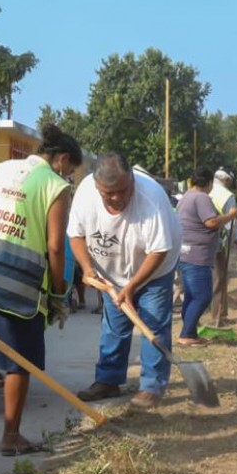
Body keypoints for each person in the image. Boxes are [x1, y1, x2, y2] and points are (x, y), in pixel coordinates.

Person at [0, 123, 82, 455]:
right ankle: (11, 436)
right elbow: (56, 247)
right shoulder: (55, 186)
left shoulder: (1, 169)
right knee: (19, 362)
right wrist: (59, 294)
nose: (69, 176)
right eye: (70, 169)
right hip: (20, 287)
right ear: (61, 159)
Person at [68, 152, 182, 410]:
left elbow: (159, 250)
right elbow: (75, 235)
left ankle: (152, 385)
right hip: (111, 272)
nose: (118, 198)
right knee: (114, 325)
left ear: (132, 179)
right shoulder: (85, 194)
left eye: (123, 190)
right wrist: (87, 268)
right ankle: (108, 380)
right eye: (110, 193)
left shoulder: (150, 197)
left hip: (155, 269)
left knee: (153, 323)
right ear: (98, 187)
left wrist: (131, 287)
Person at [176, 166, 237, 346]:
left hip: (186, 253)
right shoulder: (201, 197)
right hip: (198, 255)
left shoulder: (186, 197)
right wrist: (230, 215)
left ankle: (191, 333)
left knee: (191, 296)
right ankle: (187, 334)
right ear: (209, 183)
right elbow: (211, 222)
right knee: (202, 297)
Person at [209, 165, 237, 327]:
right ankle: (217, 317)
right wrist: (236, 238)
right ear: (227, 179)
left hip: (202, 242)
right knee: (219, 279)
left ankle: (222, 314)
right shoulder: (228, 196)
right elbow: (231, 224)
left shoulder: (206, 190)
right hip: (219, 243)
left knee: (215, 279)